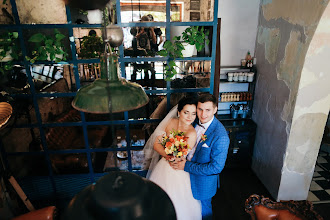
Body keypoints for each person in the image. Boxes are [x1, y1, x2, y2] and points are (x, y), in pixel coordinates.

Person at [170, 93, 230, 220]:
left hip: (202, 183)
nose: (203, 114)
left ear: (215, 109)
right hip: (184, 177)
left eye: (208, 110)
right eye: (200, 109)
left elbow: (216, 168)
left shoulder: (221, 136)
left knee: (204, 212)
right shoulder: (194, 120)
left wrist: (186, 165)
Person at [143, 96, 202, 220]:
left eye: (193, 114)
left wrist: (174, 156)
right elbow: (156, 144)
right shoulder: (170, 123)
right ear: (179, 112)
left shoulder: (192, 133)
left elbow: (182, 155)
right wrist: (168, 155)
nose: (189, 117)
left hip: (178, 169)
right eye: (186, 112)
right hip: (164, 164)